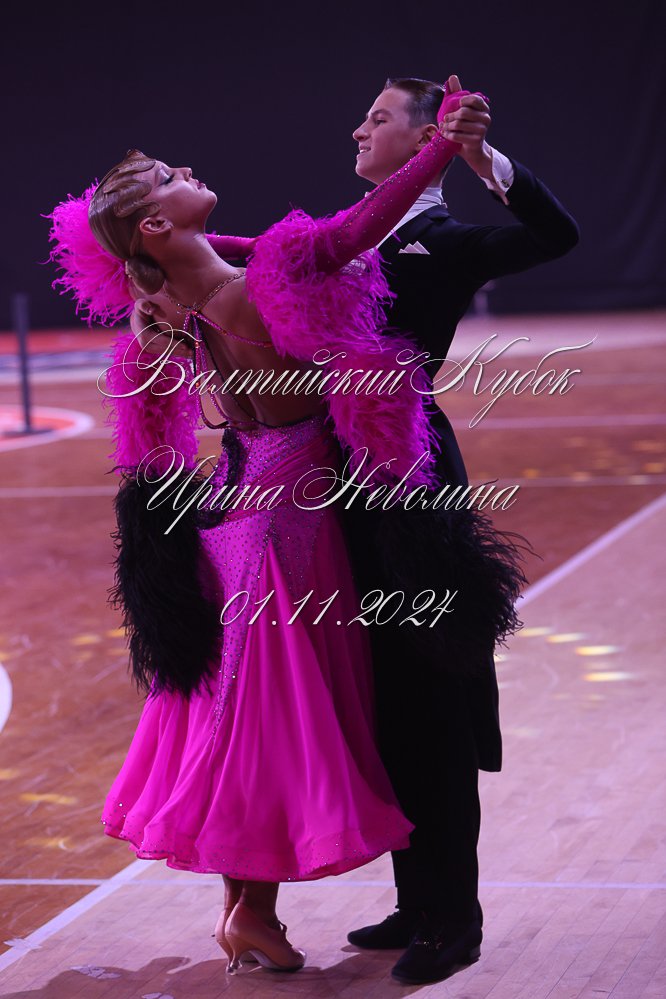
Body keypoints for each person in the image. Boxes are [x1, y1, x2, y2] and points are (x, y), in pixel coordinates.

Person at [47, 84, 524, 977]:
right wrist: (440, 147)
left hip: (232, 507)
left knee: (238, 709)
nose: (189, 169)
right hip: (293, 522)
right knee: (267, 719)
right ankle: (253, 912)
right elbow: (350, 233)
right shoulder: (250, 292)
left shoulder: (170, 305)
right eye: (171, 175)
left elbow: (230, 268)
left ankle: (246, 912)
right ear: (156, 224)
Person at [337, 74, 579, 986]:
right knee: (383, 693)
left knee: (431, 695)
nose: (357, 130)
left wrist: (479, 156)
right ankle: (415, 897)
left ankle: (455, 917)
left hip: (412, 477)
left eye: (377, 119)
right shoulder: (346, 231)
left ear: (420, 139)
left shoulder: (440, 239)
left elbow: (556, 236)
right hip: (340, 481)